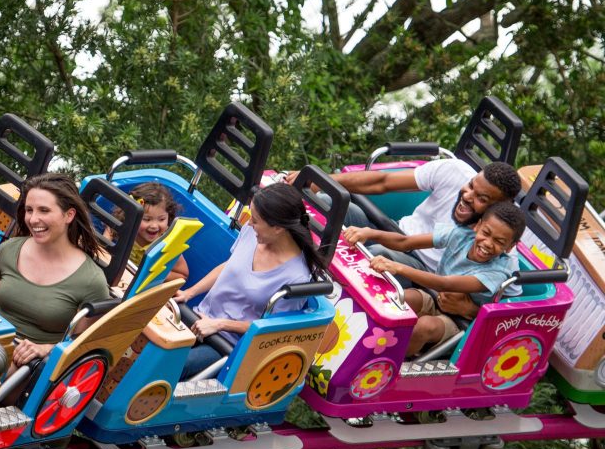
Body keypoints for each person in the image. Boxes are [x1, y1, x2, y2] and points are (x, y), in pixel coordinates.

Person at [173, 183, 324, 379]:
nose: (250, 224)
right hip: (199, 318)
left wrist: (220, 324)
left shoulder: (297, 278)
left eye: (256, 220)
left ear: (278, 227)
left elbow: (268, 330)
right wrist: (189, 293)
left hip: (227, 344)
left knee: (175, 366)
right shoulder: (253, 234)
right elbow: (229, 266)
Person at [344, 201, 526, 356]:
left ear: (510, 247)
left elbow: (446, 283)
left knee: (425, 326)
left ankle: (387, 362)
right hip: (435, 298)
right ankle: (357, 338)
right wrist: (371, 233)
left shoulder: (499, 271)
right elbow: (405, 242)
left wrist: (398, 267)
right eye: (486, 233)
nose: (488, 243)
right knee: (399, 298)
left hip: (461, 323)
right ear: (477, 226)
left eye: (499, 242)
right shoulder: (461, 235)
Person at [287, 160, 521, 275]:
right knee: (330, 205)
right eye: (470, 186)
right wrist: (320, 181)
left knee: (377, 257)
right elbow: (383, 182)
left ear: (499, 207)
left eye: (481, 198)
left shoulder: (494, 236)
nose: (467, 196)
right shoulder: (454, 171)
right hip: (394, 233)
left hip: (419, 268)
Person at [0, 173, 110, 369]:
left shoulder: (91, 280)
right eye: (29, 210)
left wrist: (46, 348)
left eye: (44, 210)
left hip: (28, 364)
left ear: (69, 215)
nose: (33, 219)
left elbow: (81, 346)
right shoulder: (8, 250)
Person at [107, 182, 189, 282]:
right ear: (132, 215)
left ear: (169, 216)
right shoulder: (124, 225)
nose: (154, 226)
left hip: (141, 285)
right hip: (119, 276)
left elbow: (182, 275)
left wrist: (151, 275)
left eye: (161, 219)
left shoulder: (168, 244)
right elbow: (109, 231)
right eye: (147, 219)